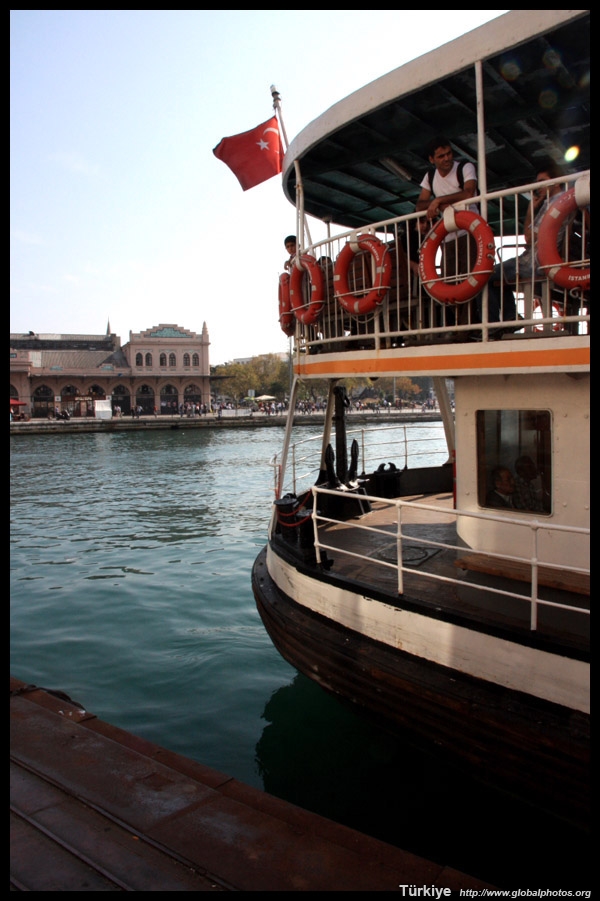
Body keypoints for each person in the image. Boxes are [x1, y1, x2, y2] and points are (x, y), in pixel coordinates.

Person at [483, 162, 564, 325]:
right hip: (542, 259)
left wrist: (529, 211)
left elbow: (528, 237)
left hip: (534, 263)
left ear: (555, 182)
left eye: (542, 181)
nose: (538, 186)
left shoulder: (553, 204)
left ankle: (491, 325)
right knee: (497, 273)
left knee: (484, 275)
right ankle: (510, 316)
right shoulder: (561, 202)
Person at [415, 136, 478, 325]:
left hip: (470, 232)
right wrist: (437, 204)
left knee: (470, 280)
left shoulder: (465, 167)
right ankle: (459, 325)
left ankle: (470, 326)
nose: (447, 158)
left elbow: (469, 192)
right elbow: (419, 205)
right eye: (441, 156)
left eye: (449, 153)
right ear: (432, 159)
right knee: (450, 282)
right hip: (448, 237)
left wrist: (439, 201)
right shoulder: (430, 176)